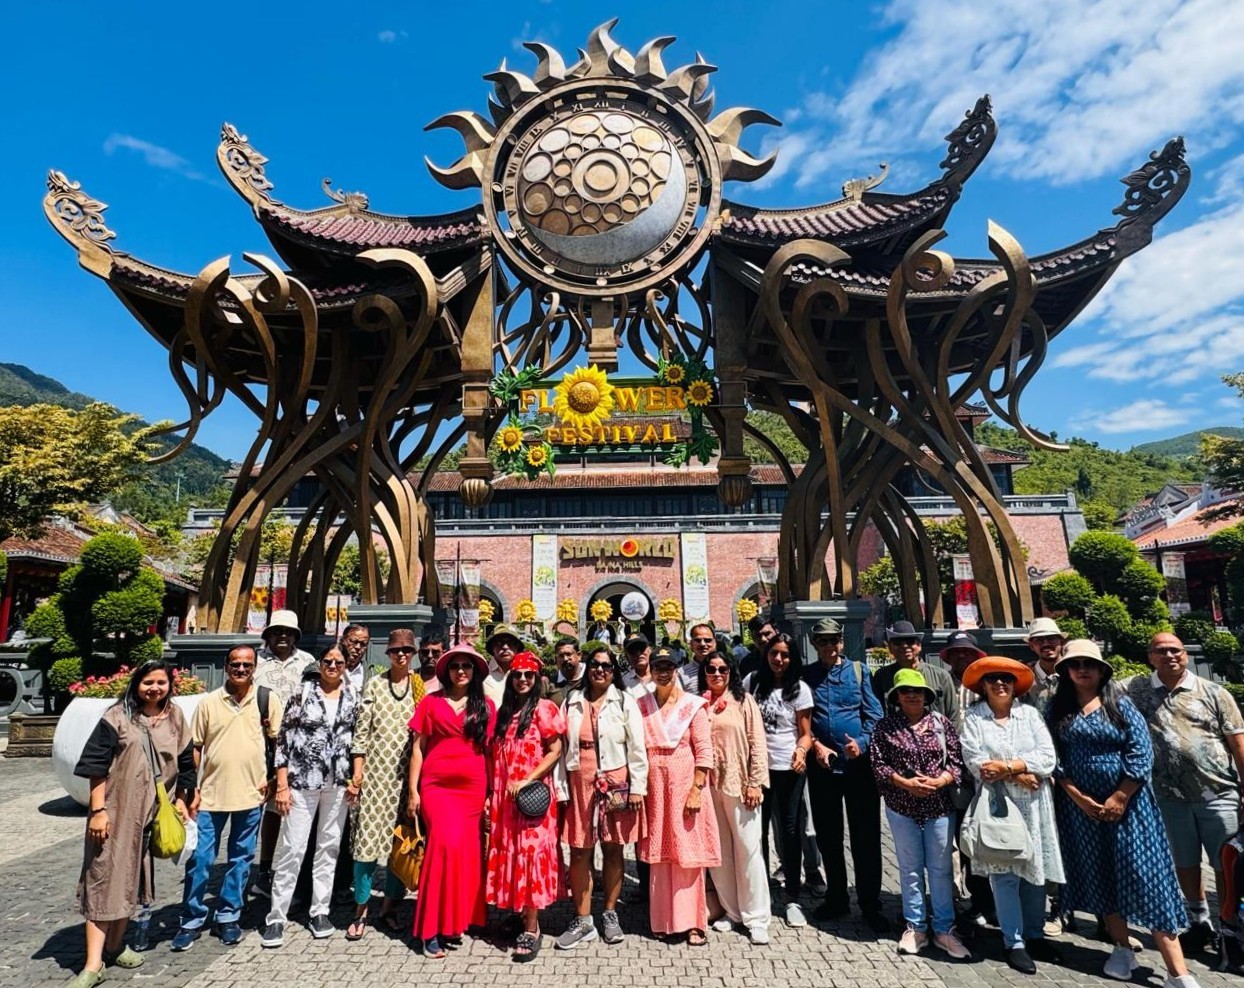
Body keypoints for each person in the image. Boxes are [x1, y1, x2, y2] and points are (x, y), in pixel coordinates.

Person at [1048, 639, 1201, 988]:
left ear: (1102, 670)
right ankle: (1120, 948)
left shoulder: (1121, 704)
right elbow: (1054, 760)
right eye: (1075, 665)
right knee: (1100, 874)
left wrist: (1120, 795)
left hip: (1131, 807)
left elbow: (1140, 752)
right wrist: (1077, 796)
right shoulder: (1057, 711)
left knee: (1148, 879)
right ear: (1067, 672)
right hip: (1081, 810)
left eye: (1090, 664)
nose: (1082, 669)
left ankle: (1178, 972)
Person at [69, 660, 195, 987]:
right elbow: (96, 764)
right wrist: (98, 811)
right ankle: (93, 964)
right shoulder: (117, 717)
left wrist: (183, 798)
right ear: (136, 684)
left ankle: (114, 946)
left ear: (170, 685)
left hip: (152, 814)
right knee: (103, 880)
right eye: (148, 682)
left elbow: (185, 762)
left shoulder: (176, 718)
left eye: (161, 683)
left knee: (133, 879)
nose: (154, 688)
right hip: (115, 813)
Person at [1126, 631, 1244, 957]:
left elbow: (1237, 744)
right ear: (1150, 656)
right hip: (1167, 795)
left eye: (1175, 650)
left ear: (1185, 654)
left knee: (1226, 863)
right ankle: (1198, 918)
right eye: (1161, 651)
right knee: (1185, 860)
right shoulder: (1135, 690)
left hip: (1217, 792)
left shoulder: (1213, 692)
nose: (1170, 656)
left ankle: (1229, 924)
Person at [172, 646, 283, 951]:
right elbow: (195, 747)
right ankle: (191, 918)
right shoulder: (209, 702)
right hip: (209, 797)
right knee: (201, 860)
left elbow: (278, 744)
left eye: (247, 665)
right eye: (236, 664)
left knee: (240, 860)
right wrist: (191, 790)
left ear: (255, 667)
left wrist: (275, 779)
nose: (241, 669)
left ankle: (228, 914)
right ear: (226, 666)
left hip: (251, 794)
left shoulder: (266, 699)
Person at [959, 656, 1064, 973]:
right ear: (984, 686)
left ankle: (1034, 933)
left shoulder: (1029, 714)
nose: (1000, 684)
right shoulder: (975, 717)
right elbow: (976, 761)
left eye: (1006, 678)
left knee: (1033, 872)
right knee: (1004, 872)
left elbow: (1046, 757)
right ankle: (1013, 940)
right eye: (993, 679)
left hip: (1033, 804)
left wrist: (1007, 766)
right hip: (998, 805)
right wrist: (1017, 772)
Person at [260, 644, 361, 947]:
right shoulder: (302, 694)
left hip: (337, 782)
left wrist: (357, 777)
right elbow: (283, 743)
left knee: (329, 847)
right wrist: (281, 784)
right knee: (293, 848)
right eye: (328, 661)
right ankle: (276, 917)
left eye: (338, 662)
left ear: (345, 666)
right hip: (302, 781)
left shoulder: (352, 697)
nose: (333, 666)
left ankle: (320, 910)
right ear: (319, 664)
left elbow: (357, 740)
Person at [870, 668, 970, 960]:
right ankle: (916, 926)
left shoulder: (941, 724)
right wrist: (904, 783)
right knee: (910, 868)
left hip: (939, 807)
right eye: (905, 691)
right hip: (902, 806)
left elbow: (957, 763)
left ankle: (944, 929)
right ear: (897, 697)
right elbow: (879, 764)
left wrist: (942, 780)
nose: (912, 695)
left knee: (940, 869)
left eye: (917, 691)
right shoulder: (886, 727)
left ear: (927, 696)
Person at [406, 642, 495, 959]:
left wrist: (490, 794)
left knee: (466, 856)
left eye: (467, 666)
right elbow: (418, 747)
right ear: (447, 670)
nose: (461, 671)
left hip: (472, 788)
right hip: (437, 786)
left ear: (474, 672)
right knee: (441, 850)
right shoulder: (430, 703)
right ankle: (429, 929)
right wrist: (413, 790)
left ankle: (454, 922)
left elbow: (488, 753)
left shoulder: (485, 705)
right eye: (456, 666)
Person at [556, 644, 648, 948]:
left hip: (615, 779)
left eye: (607, 666)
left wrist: (638, 787)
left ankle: (609, 913)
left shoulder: (624, 701)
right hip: (579, 780)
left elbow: (637, 747)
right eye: (595, 664)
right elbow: (559, 749)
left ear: (614, 671)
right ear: (587, 666)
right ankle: (583, 920)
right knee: (580, 850)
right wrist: (560, 787)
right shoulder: (572, 700)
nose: (599, 670)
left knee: (613, 848)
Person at [802, 617, 888, 931]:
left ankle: (869, 903)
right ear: (814, 644)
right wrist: (815, 745)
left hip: (858, 767)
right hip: (823, 767)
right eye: (822, 641)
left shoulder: (859, 671)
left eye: (833, 640)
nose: (829, 646)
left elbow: (875, 715)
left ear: (841, 642)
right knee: (829, 836)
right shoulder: (807, 676)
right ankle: (836, 898)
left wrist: (862, 743)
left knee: (865, 836)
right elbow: (801, 721)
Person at [487, 651, 567, 961]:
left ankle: (532, 928)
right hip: (505, 800)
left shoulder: (545, 709)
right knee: (513, 855)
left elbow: (555, 751)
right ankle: (520, 914)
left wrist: (526, 780)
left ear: (537, 680)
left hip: (533, 800)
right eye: (517, 675)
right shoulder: (504, 712)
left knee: (532, 857)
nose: (522, 679)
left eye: (528, 676)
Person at [638, 646, 720, 945]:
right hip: (655, 789)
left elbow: (704, 750)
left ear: (676, 670)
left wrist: (698, 788)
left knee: (687, 854)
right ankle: (663, 919)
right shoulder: (641, 705)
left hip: (685, 785)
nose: (663, 672)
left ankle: (693, 921)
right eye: (658, 667)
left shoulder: (694, 706)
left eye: (668, 667)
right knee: (661, 855)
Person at [347, 628, 425, 940]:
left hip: (405, 780)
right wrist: (357, 774)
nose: (401, 656)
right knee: (365, 846)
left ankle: (390, 907)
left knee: (400, 845)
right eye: (396, 651)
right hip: (375, 778)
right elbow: (361, 732)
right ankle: (360, 908)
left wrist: (416, 787)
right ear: (388, 654)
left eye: (406, 651)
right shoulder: (375, 685)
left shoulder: (418, 687)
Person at [743, 633, 814, 928]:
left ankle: (792, 897)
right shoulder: (752, 682)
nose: (779, 660)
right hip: (758, 768)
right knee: (756, 831)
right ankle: (756, 894)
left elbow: (806, 733)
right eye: (774, 653)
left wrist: (801, 751)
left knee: (789, 829)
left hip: (788, 767)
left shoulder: (800, 689)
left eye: (785, 655)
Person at [703, 649, 771, 944]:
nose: (716, 674)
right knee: (720, 853)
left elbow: (757, 743)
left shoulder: (744, 701)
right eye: (711, 669)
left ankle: (756, 917)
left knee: (748, 850)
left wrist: (755, 782)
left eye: (722, 669)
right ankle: (732, 912)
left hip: (739, 783)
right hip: (709, 787)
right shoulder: (700, 704)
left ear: (731, 672)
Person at [252, 610, 315, 896]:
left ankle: (296, 870)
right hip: (260, 743)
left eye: (288, 632)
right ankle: (263, 867)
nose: (282, 636)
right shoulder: (254, 662)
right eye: (277, 631)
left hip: (298, 744)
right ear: (267, 635)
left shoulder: (307, 663)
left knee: (297, 805)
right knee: (267, 808)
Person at [936, 630, 996, 928]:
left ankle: (983, 900)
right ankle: (948, 899)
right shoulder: (942, 682)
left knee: (976, 840)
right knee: (949, 840)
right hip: (949, 772)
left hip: (982, 774)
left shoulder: (985, 685)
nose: (962, 656)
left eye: (967, 652)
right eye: (956, 652)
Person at [872, 621, 959, 724]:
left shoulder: (941, 676)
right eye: (897, 642)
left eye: (910, 641)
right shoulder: (881, 677)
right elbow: (875, 714)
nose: (904, 646)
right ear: (890, 648)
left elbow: (954, 717)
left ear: (919, 645)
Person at [1022, 617, 1065, 712]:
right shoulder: (1025, 679)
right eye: (1039, 640)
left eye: (1051, 638)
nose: (1046, 643)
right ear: (1031, 646)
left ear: (1062, 642)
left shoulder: (1077, 673)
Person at [484, 624, 523, 707]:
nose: (505, 647)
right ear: (492, 647)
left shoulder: (525, 674)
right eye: (499, 643)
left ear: (517, 647)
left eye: (510, 643)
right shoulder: (482, 672)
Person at [544, 637, 584, 707]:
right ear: (556, 659)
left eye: (569, 654)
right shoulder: (549, 683)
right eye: (561, 656)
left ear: (579, 656)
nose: (565, 659)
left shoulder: (590, 679)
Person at [680, 622, 718, 692]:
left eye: (707, 640)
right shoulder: (681, 674)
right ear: (691, 644)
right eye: (698, 640)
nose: (703, 644)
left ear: (715, 643)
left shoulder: (725, 670)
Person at [339, 623, 371, 694]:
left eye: (363, 644)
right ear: (342, 641)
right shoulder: (325, 667)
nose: (358, 647)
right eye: (353, 642)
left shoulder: (371, 674)